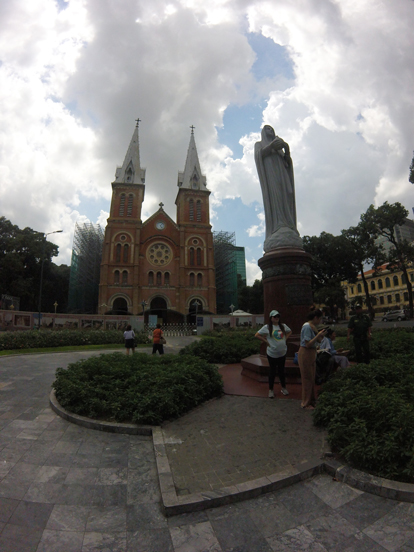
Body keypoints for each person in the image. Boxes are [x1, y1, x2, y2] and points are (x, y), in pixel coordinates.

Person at [254, 125, 302, 251]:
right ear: (263, 133)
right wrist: (271, 147)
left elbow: (287, 163)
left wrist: (286, 149)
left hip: (283, 176)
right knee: (277, 198)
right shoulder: (259, 144)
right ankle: (278, 225)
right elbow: (258, 156)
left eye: (271, 129)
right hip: (272, 178)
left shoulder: (280, 148)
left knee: (287, 195)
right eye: (267, 129)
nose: (270, 131)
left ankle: (288, 224)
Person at [255, 310, 292, 398]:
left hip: (282, 352)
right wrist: (266, 342)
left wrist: (285, 339)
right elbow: (257, 335)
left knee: (281, 371)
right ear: (271, 318)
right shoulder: (267, 327)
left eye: (278, 316)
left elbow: (290, 331)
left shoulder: (283, 326)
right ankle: (271, 390)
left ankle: (283, 387)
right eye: (274, 317)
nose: (276, 318)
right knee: (272, 371)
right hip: (272, 354)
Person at [298, 309, 327, 410]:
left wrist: (321, 335)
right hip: (306, 352)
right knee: (307, 379)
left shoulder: (312, 327)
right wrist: (318, 335)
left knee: (311, 378)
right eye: (320, 319)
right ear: (315, 318)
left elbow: (317, 341)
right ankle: (305, 403)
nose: (320, 321)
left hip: (311, 352)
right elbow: (307, 343)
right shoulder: (307, 327)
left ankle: (311, 401)